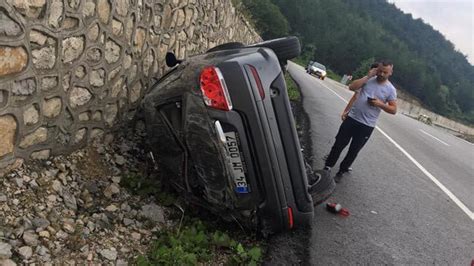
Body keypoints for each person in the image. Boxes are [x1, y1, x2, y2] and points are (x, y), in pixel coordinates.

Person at [324, 60, 397, 183]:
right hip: (352, 119)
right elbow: (352, 87)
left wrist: (380, 104)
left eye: (385, 72)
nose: (382, 74)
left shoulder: (390, 89)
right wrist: (368, 76)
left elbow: (393, 109)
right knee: (338, 144)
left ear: (390, 72)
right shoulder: (368, 79)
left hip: (367, 125)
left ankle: (341, 171)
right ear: (376, 69)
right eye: (380, 71)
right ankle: (327, 167)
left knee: (354, 150)